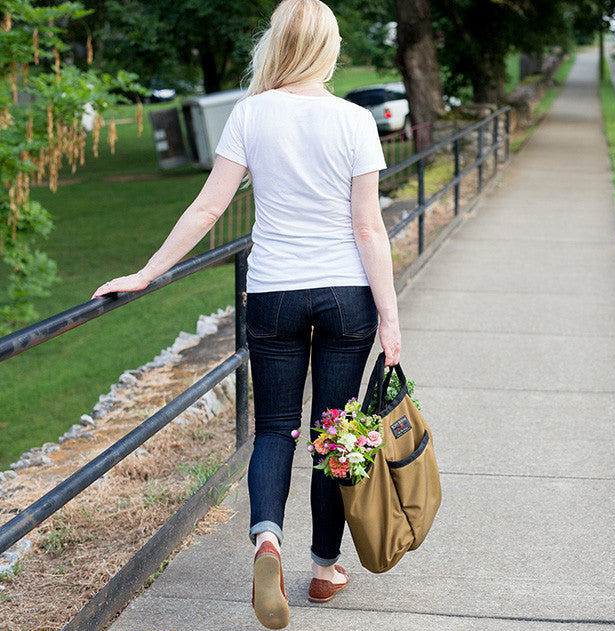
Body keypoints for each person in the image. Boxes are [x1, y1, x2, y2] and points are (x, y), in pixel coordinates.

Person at [92, 1, 400, 627]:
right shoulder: (354, 120)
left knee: (274, 429)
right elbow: (368, 226)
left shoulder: (249, 114)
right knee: (332, 436)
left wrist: (147, 271)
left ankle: (267, 541)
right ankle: (323, 568)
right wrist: (390, 319)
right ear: (329, 48)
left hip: (273, 293)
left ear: (278, 43)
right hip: (345, 294)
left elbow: (208, 209)